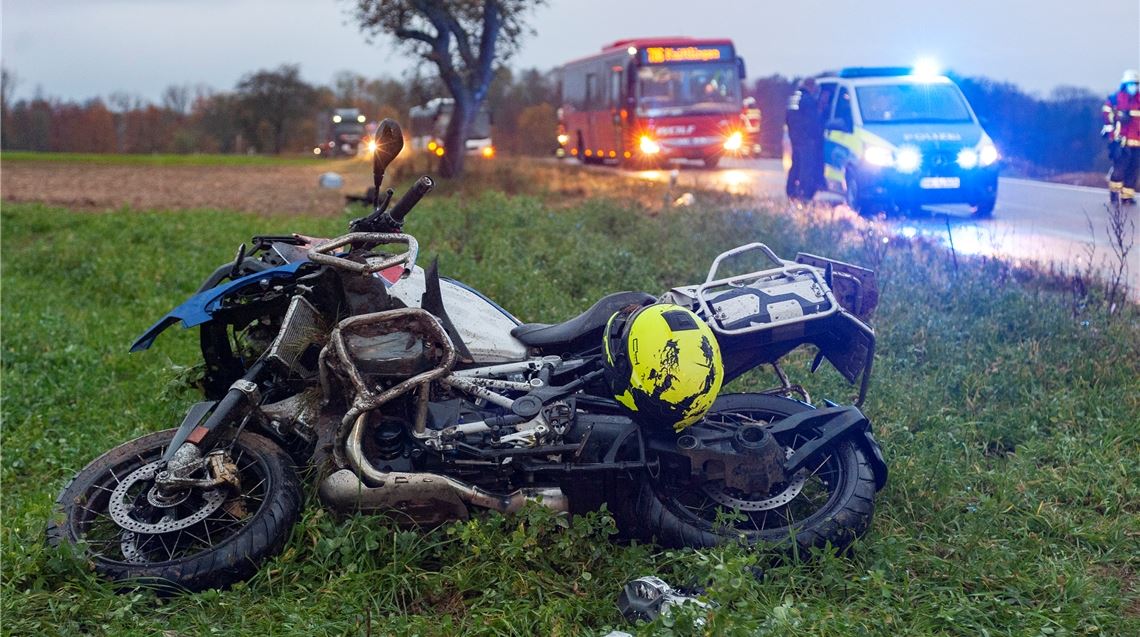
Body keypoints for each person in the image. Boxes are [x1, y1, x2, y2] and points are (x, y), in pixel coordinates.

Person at [785, 78, 825, 203]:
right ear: (810, 86)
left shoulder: (794, 98)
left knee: (796, 164)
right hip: (806, 138)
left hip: (795, 137)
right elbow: (814, 120)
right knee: (806, 166)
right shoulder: (808, 100)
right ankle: (804, 194)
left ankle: (791, 190)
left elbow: (788, 118)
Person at [1107, 69, 1140, 205]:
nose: (1134, 87)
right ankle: (1114, 194)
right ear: (1125, 84)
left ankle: (1127, 196)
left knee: (1133, 170)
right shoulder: (1115, 99)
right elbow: (1107, 116)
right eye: (1132, 84)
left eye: (1136, 84)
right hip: (1121, 141)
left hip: (1137, 143)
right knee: (1120, 169)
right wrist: (1118, 117)